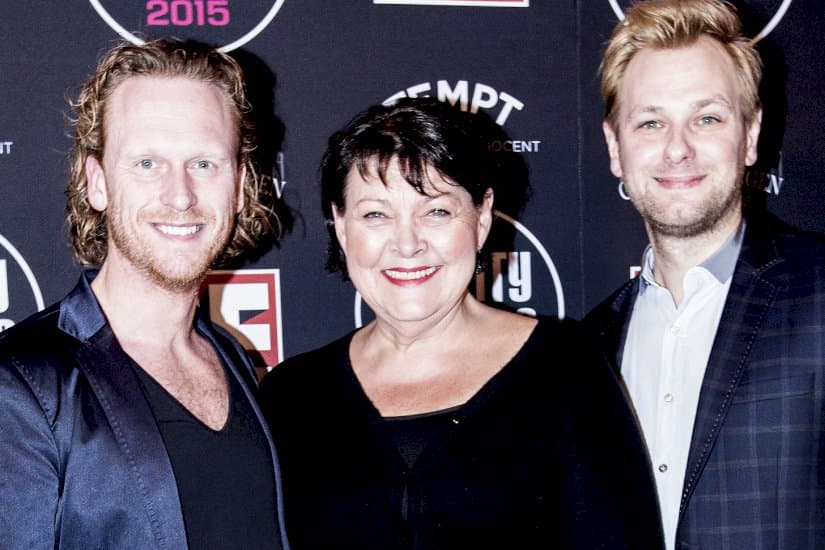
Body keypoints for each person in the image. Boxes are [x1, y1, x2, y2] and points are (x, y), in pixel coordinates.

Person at [259, 97, 663, 549]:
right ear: (340, 223)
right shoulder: (291, 397)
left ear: (481, 217)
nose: (407, 244)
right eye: (376, 214)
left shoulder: (566, 369)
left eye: (436, 211)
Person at [0, 38, 288, 549]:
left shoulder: (232, 357)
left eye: (204, 164)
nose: (180, 195)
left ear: (240, 186)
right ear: (97, 183)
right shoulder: (21, 386)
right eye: (148, 164)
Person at [584, 1, 825, 548]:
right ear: (615, 147)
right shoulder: (590, 346)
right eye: (650, 122)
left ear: (751, 135)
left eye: (707, 118)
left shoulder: (819, 294)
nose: (678, 148)